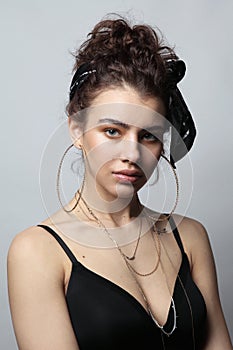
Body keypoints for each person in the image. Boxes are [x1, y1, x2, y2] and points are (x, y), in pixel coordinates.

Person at [7, 16, 232, 350]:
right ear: (77, 130)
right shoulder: (37, 253)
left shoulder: (191, 238)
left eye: (149, 136)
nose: (132, 153)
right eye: (112, 131)